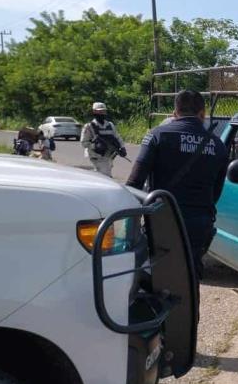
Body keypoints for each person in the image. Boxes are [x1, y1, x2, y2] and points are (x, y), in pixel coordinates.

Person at [126, 90, 229, 279]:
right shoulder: (218, 145)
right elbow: (216, 191)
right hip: (200, 224)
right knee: (190, 277)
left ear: (175, 113)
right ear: (202, 114)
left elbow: (134, 184)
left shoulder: (157, 135)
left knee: (160, 276)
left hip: (162, 219)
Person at [81, 102, 127, 177]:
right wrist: (95, 146)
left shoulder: (110, 125)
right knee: (105, 176)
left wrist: (122, 148)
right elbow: (83, 143)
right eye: (99, 111)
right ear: (94, 112)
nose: (102, 113)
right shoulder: (89, 126)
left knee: (103, 174)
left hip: (108, 155)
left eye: (103, 111)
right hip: (96, 155)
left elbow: (117, 137)